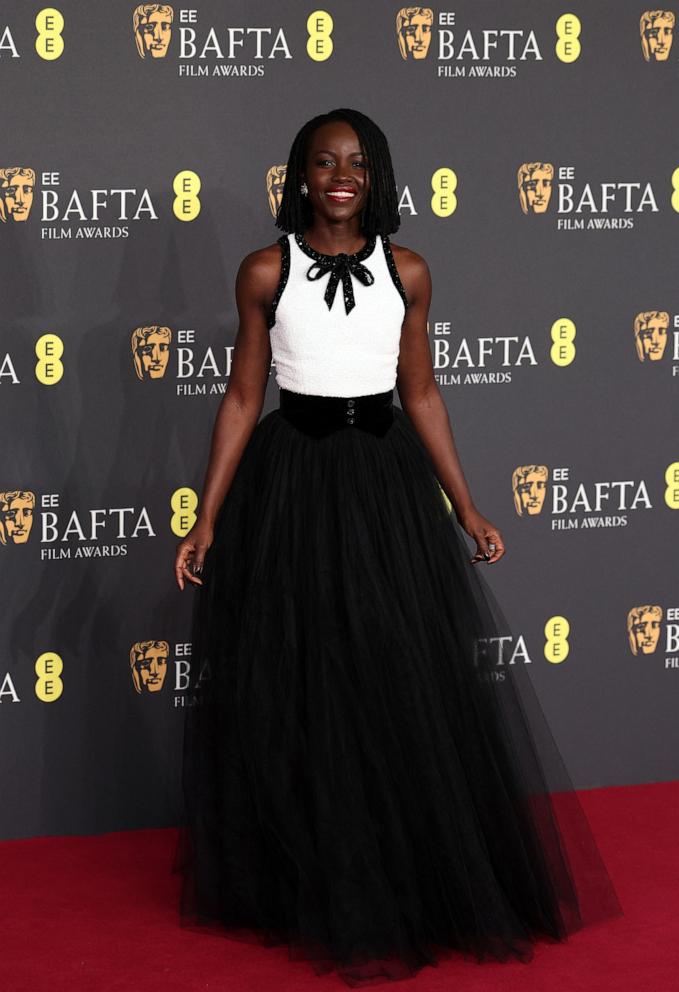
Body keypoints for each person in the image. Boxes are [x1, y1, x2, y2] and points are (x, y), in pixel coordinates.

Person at [172, 108, 622, 986]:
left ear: (376, 175)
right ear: (298, 175)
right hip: (294, 484)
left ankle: (404, 869)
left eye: (356, 162)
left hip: (385, 485)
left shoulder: (407, 270)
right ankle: (308, 876)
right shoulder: (264, 271)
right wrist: (207, 515)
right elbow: (239, 396)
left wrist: (465, 505)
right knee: (306, 679)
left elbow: (420, 394)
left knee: (395, 676)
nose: (340, 175)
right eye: (322, 161)